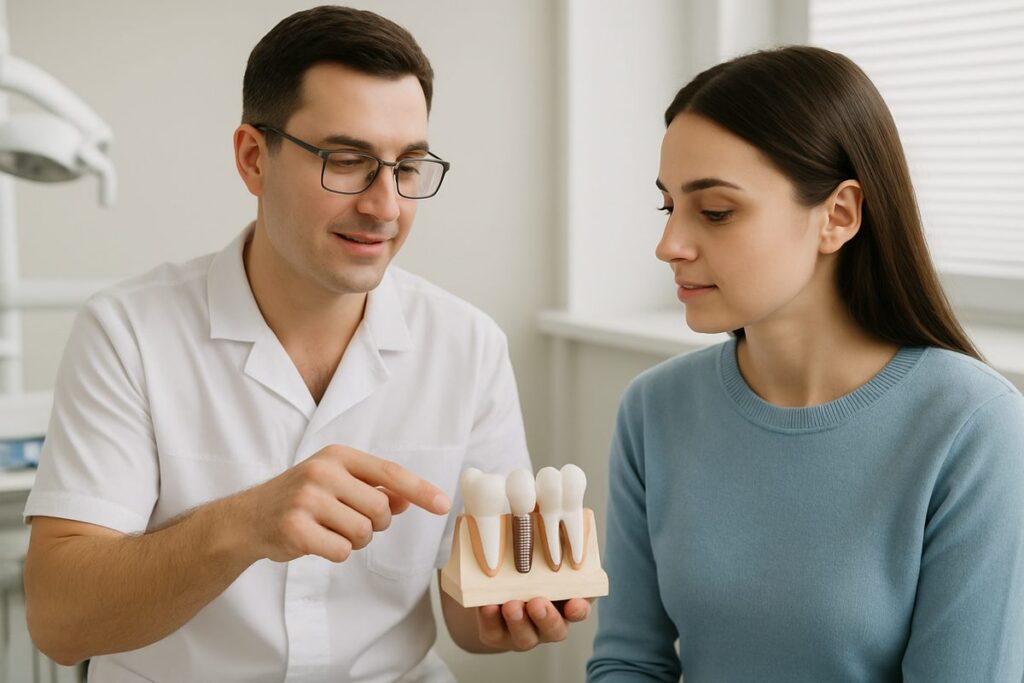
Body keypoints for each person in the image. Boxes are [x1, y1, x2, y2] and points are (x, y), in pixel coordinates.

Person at [22, 6, 588, 681]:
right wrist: (244, 525)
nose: (385, 206)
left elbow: (466, 616)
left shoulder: (467, 345)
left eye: (407, 167)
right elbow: (60, 623)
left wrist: (507, 612)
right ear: (254, 158)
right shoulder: (128, 334)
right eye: (347, 162)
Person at [587, 46, 1024, 682]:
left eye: (715, 212)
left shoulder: (973, 428)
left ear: (838, 216)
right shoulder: (655, 408)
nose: (669, 244)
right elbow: (628, 661)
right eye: (668, 207)